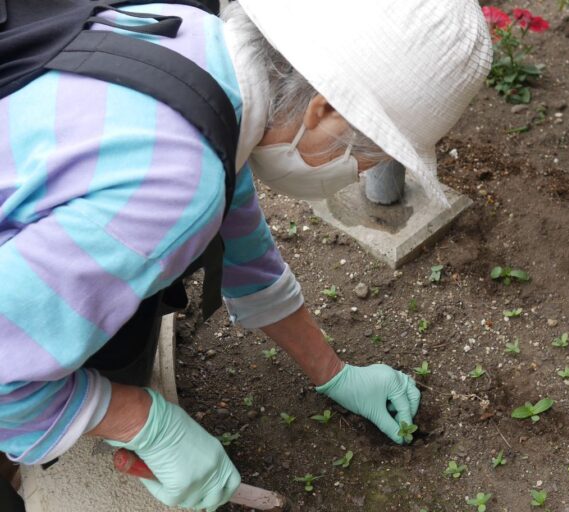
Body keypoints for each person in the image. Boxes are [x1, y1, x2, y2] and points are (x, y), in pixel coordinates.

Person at [0, 0, 491, 510]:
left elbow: (241, 245)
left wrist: (334, 371)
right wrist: (138, 419)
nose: (362, 172)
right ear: (324, 109)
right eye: (367, 157)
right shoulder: (171, 188)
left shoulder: (192, 42)